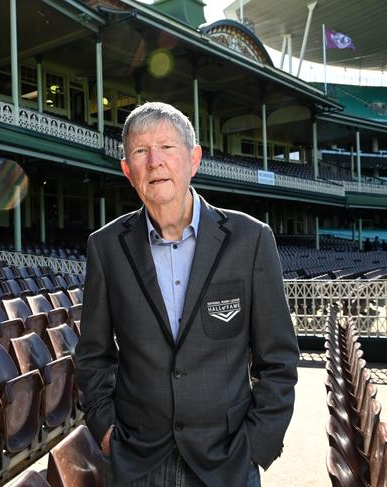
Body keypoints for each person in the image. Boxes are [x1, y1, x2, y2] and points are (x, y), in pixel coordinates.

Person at [75, 102, 299, 487]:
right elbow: (93, 355)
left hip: (227, 460)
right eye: (140, 151)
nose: (154, 162)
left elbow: (278, 360)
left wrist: (256, 447)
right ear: (128, 170)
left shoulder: (251, 239)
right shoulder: (106, 247)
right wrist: (108, 435)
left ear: (194, 159)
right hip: (138, 462)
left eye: (167, 147)